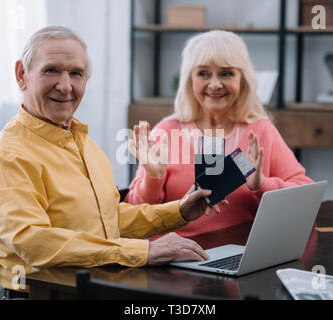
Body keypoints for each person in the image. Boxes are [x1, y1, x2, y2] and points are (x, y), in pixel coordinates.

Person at [0, 26, 215, 296]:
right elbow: (33, 242)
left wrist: (179, 211)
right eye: (51, 70)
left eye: (76, 73)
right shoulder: (7, 156)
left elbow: (109, 221)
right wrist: (143, 251)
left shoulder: (86, 145)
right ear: (22, 75)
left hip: (99, 286)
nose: (65, 86)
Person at [126, 30, 313, 237]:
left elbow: (305, 196)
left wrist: (261, 185)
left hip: (242, 256)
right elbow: (134, 217)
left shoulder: (260, 131)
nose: (215, 85)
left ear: (242, 79)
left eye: (226, 73)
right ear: (190, 79)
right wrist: (153, 177)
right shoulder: (166, 132)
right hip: (175, 257)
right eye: (203, 73)